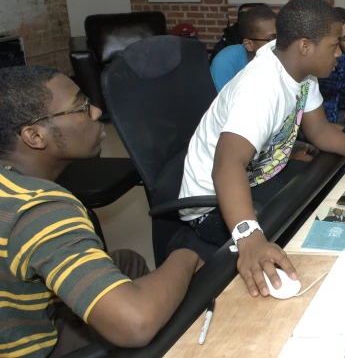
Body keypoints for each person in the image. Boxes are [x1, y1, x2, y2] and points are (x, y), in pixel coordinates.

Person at [178, 0, 345, 298]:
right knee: (300, 247)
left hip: (258, 176)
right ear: (305, 46)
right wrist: (249, 238)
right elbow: (226, 166)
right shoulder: (261, 87)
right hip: (213, 201)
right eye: (334, 45)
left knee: (323, 207)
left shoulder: (300, 69)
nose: (339, 53)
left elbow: (318, 130)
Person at [0, 66, 202, 358]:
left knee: (126, 261)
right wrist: (186, 254)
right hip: (28, 348)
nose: (95, 112)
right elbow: (135, 324)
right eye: (80, 106)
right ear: (34, 136)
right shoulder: (38, 208)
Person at [210, 5, 277, 92]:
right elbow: (225, 103)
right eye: (271, 39)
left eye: (281, 36)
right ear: (249, 44)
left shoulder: (279, 58)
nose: (279, 43)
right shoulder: (225, 62)